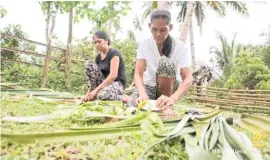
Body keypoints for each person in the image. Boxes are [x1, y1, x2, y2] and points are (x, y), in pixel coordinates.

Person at [126, 9, 193, 115]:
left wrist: (172, 98)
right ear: (149, 27)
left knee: (164, 62)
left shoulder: (179, 47)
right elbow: (138, 74)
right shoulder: (144, 44)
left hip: (169, 86)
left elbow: (188, 78)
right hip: (149, 85)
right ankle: (130, 99)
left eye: (163, 30)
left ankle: (166, 105)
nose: (158, 34)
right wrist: (142, 94)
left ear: (170, 28)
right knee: (132, 108)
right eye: (154, 29)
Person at [81, 31, 127, 102]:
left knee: (102, 95)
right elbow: (94, 78)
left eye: (99, 41)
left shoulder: (114, 54)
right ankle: (93, 94)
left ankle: (124, 98)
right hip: (103, 85)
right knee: (89, 65)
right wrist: (89, 94)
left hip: (116, 84)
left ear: (106, 41)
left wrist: (96, 91)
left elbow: (113, 76)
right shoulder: (98, 58)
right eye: (95, 42)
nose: (97, 44)